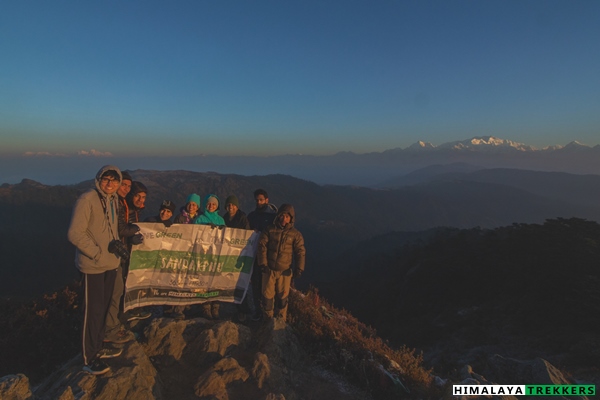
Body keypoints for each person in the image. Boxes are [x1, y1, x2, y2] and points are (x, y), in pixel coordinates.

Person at [68, 165, 125, 375]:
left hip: (110, 265)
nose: (109, 184)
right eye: (106, 179)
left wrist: (117, 247)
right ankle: (89, 358)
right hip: (93, 266)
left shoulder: (113, 200)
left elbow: (110, 229)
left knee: (101, 310)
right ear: (98, 180)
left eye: (114, 180)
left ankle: (98, 346)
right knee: (91, 312)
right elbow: (75, 234)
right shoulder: (87, 199)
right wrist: (98, 254)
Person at [103, 171, 139, 345]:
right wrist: (138, 230)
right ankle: (110, 329)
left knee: (118, 290)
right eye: (123, 184)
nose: (125, 188)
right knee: (115, 292)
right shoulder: (115, 203)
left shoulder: (119, 202)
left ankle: (115, 324)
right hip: (112, 256)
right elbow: (120, 229)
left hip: (118, 253)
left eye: (128, 186)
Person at [257, 204, 306, 322]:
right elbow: (261, 246)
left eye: (287, 217)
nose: (284, 219)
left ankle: (280, 322)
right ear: (278, 216)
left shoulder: (295, 234)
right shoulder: (270, 229)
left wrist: (299, 268)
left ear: (291, 219)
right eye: (282, 216)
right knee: (267, 298)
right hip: (269, 270)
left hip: (285, 272)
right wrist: (263, 264)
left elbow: (300, 251)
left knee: (282, 299)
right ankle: (267, 322)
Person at [168, 193, 201, 319]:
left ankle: (190, 306)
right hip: (182, 253)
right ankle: (178, 309)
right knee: (180, 280)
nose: (191, 206)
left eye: (194, 204)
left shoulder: (201, 218)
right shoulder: (179, 218)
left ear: (197, 206)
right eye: (190, 204)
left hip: (195, 253)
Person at [247, 189, 278, 320]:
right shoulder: (252, 216)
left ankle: (268, 312)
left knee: (268, 285)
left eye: (261, 200)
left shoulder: (273, 217)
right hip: (254, 256)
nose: (259, 202)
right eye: (257, 200)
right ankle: (258, 311)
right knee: (255, 283)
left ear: (267, 200)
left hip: (268, 257)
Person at [194, 194, 226, 319]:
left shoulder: (221, 220)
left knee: (215, 281)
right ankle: (205, 307)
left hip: (216, 255)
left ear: (217, 206)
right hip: (202, 254)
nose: (211, 206)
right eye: (209, 204)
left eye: (213, 204)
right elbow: (194, 235)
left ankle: (216, 307)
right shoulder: (199, 219)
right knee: (203, 280)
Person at [222, 195, 253, 320]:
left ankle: (243, 310)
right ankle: (233, 306)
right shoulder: (224, 218)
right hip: (227, 253)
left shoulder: (242, 218)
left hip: (239, 254)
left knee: (240, 282)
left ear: (237, 206)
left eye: (233, 205)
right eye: (229, 205)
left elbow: (246, 235)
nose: (231, 207)